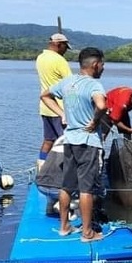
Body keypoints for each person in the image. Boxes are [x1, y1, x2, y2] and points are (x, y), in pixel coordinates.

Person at [39, 46, 107, 243]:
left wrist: (62, 114)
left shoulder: (67, 82)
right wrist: (95, 122)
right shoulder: (94, 85)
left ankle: (64, 226)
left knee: (67, 186)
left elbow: (45, 95)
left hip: (69, 141)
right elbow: (102, 105)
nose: (103, 68)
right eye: (102, 65)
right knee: (87, 189)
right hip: (88, 142)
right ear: (95, 65)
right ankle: (87, 233)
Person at [35, 33, 72, 171]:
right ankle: (63, 172)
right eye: (65, 47)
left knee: (48, 140)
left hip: (45, 106)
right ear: (58, 44)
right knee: (66, 142)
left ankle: (41, 167)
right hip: (60, 109)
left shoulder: (40, 57)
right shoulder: (59, 61)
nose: (66, 50)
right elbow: (71, 83)